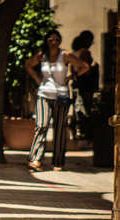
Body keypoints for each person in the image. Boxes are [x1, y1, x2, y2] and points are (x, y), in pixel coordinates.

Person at [25, 29, 89, 172]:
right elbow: (28, 65)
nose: (54, 43)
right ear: (46, 42)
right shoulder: (42, 56)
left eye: (57, 40)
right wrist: (37, 79)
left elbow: (84, 66)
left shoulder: (65, 55)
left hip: (61, 96)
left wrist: (72, 77)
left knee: (60, 130)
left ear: (60, 41)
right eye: (51, 40)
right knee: (41, 126)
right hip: (44, 94)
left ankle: (58, 162)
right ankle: (35, 159)